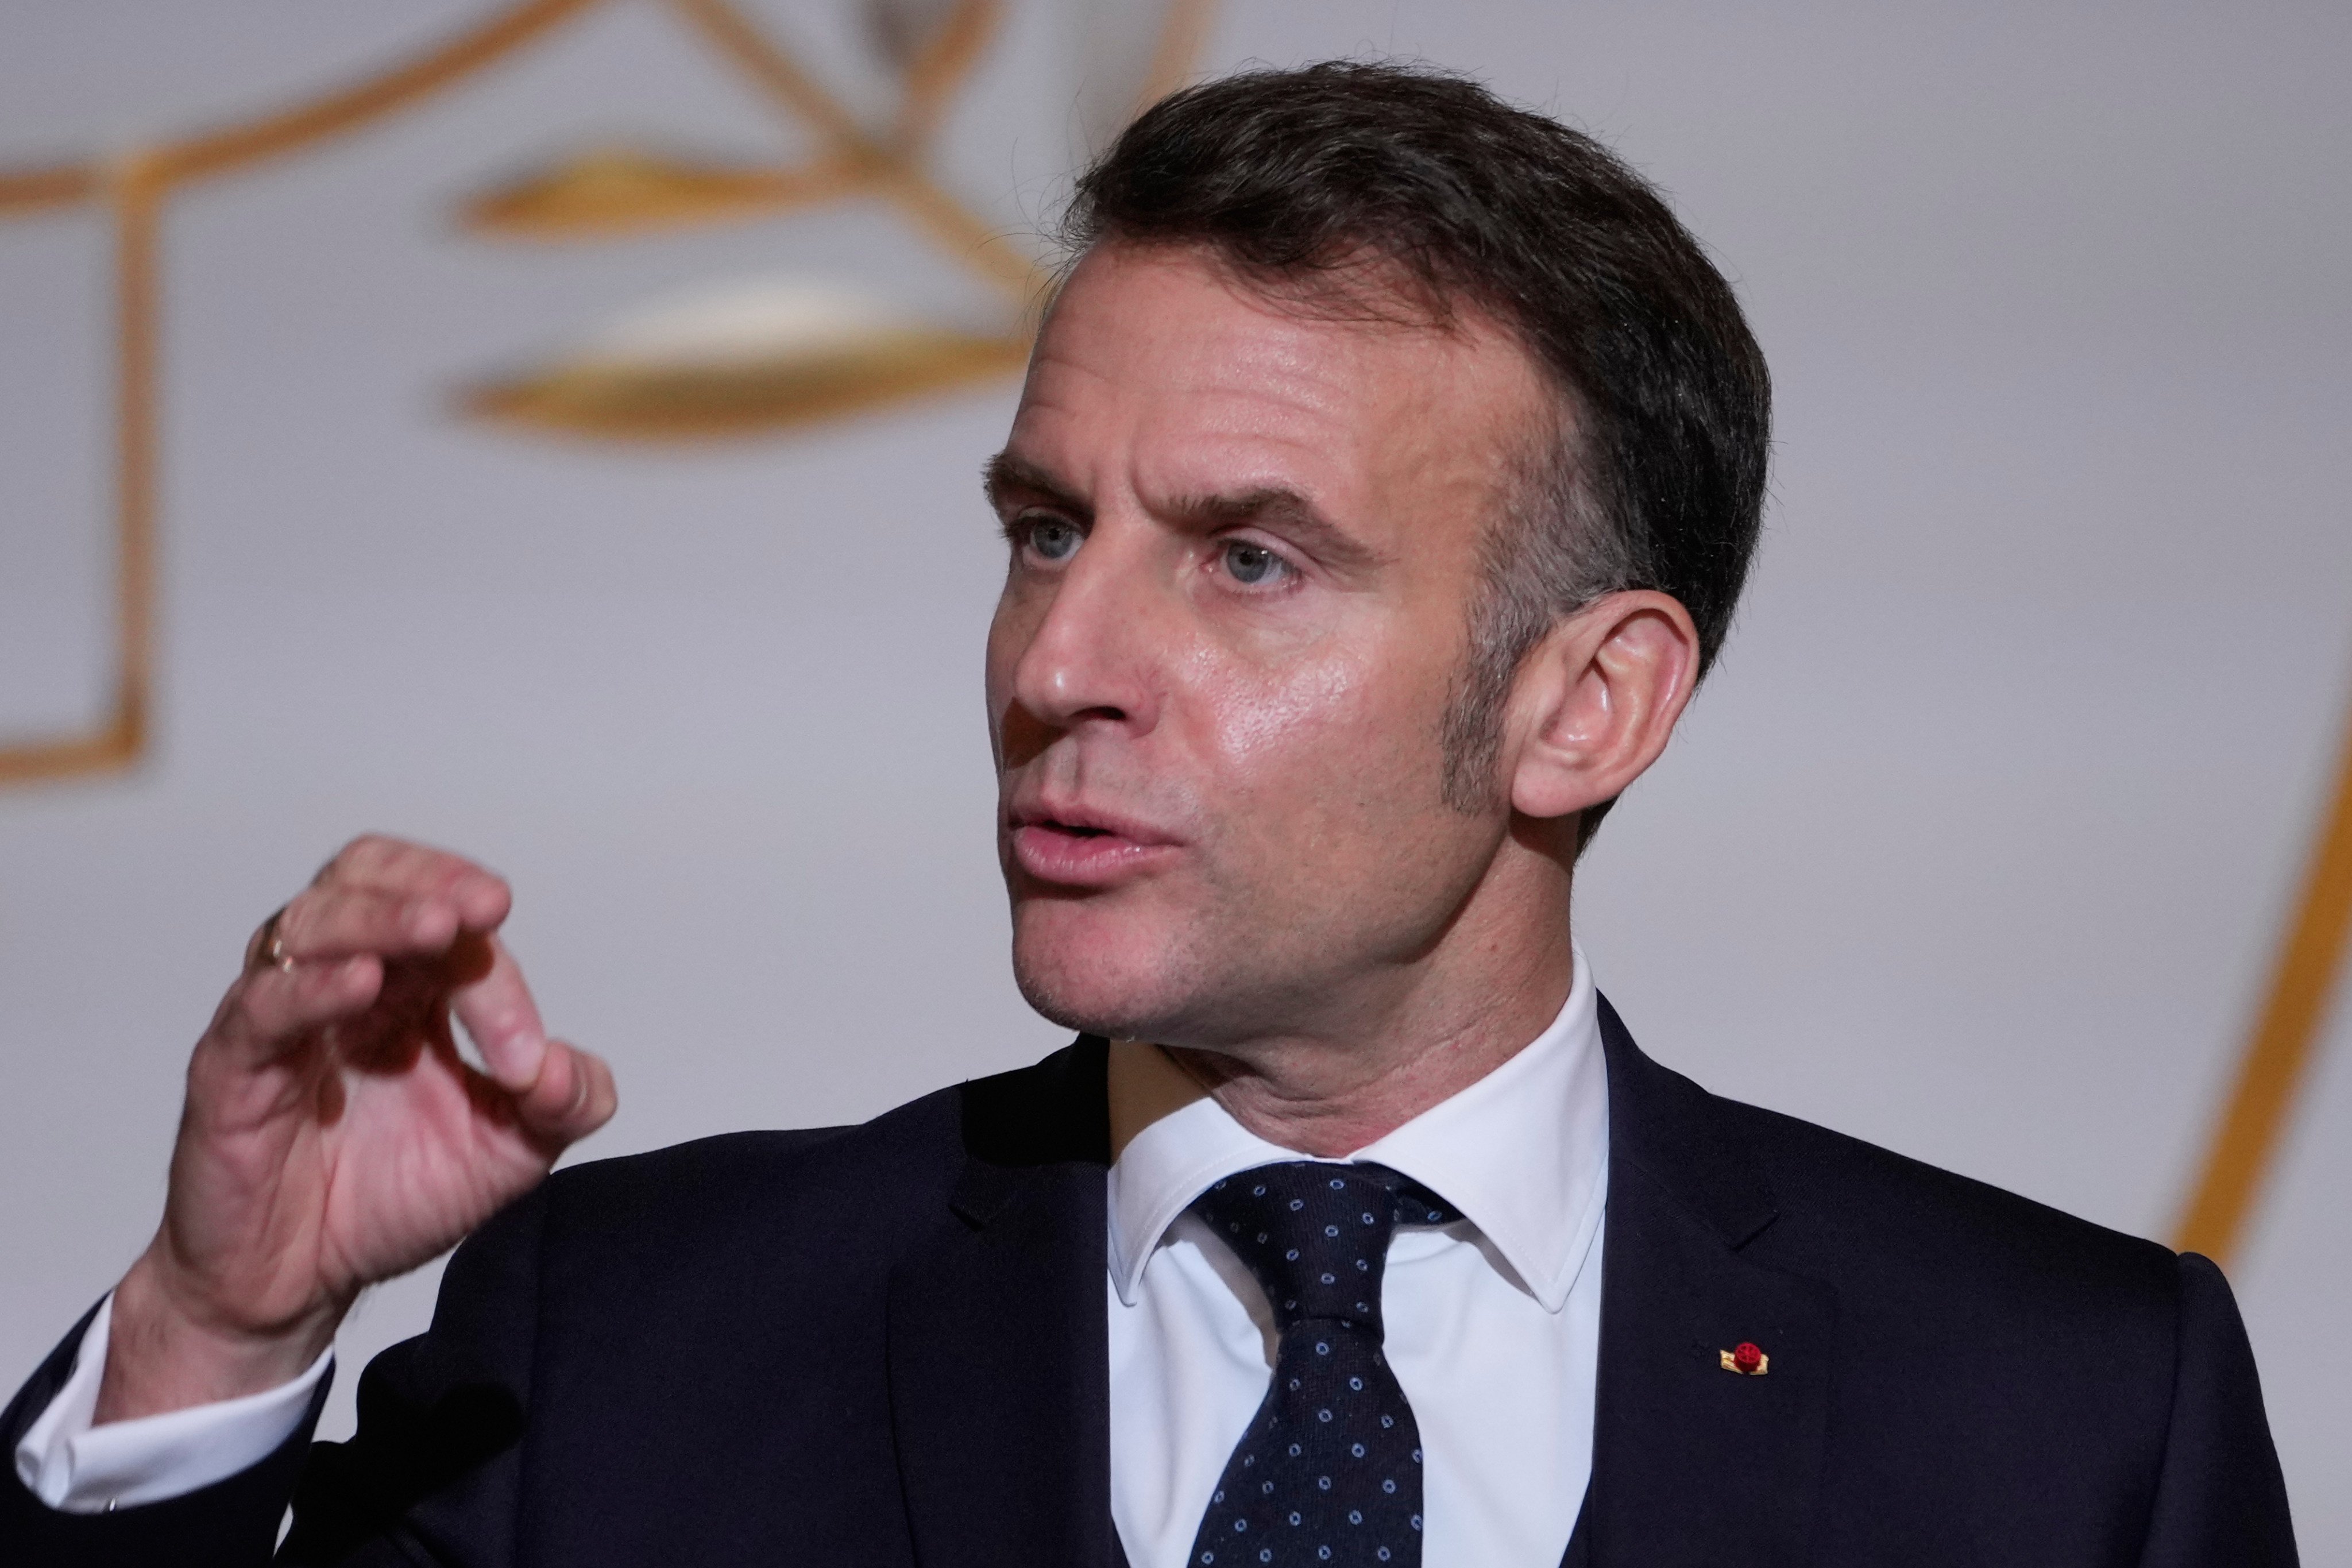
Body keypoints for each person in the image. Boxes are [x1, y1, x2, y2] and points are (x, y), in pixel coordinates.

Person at [1, 61, 2296, 1568]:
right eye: (1038, 525)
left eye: (1245, 556)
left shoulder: (2066, 1413)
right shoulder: (633, 1337)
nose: (1055, 660)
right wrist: (210, 1340)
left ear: (1585, 703)